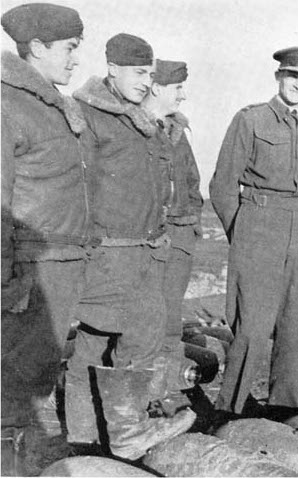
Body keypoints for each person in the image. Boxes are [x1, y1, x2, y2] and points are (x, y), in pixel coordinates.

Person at [66, 33, 194, 460]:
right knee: (142, 331)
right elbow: (74, 185)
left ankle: (84, 439)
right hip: (111, 250)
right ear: (113, 68)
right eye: (138, 73)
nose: (145, 81)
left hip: (136, 248)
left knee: (94, 340)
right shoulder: (90, 115)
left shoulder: (128, 116)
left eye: (149, 74)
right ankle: (126, 434)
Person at [209, 46, 298, 418]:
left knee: (292, 328)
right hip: (259, 229)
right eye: (293, 76)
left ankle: (283, 409)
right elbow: (223, 185)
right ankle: (231, 409)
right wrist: (242, 232)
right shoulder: (252, 119)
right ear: (279, 77)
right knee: (252, 328)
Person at [1, 3, 88, 429]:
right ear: (36, 47)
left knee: (34, 380)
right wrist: (6, 281)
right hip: (28, 269)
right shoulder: (6, 102)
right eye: (70, 48)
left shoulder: (51, 104)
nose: (76, 58)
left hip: (55, 263)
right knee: (14, 383)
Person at [142, 59, 203, 341]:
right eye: (177, 87)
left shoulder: (177, 133)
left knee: (171, 317)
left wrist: (190, 228)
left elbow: (193, 183)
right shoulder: (134, 129)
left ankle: (169, 382)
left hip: (179, 237)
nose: (183, 94)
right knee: (143, 316)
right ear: (155, 88)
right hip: (146, 236)